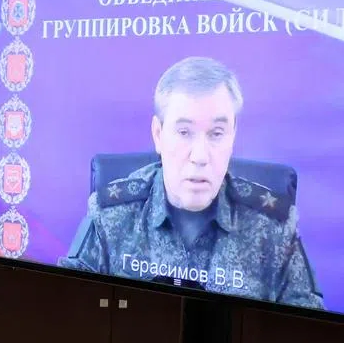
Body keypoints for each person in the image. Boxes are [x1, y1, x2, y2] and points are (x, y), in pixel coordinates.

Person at [60, 56, 323, 310]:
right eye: (184, 132)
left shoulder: (273, 228)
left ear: (233, 136)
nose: (199, 156)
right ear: (158, 134)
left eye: (216, 134)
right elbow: (68, 310)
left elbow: (307, 339)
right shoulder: (112, 215)